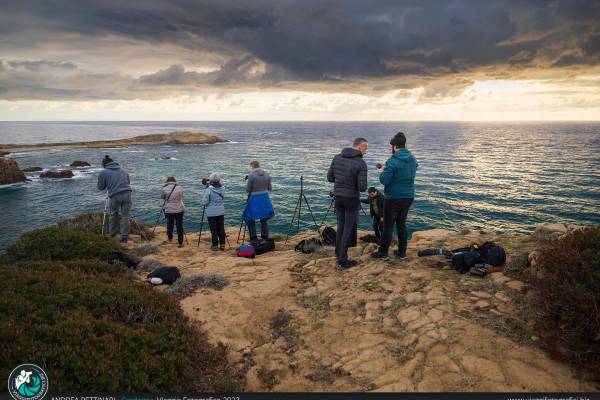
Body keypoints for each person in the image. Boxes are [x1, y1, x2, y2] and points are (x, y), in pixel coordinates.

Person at [371, 132, 418, 261]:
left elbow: (384, 181)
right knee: (401, 225)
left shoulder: (392, 160)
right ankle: (402, 253)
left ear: (394, 146)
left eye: (391, 147)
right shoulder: (413, 158)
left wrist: (382, 172)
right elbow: (414, 169)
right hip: (408, 196)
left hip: (393, 198)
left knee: (388, 226)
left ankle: (383, 253)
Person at [327, 137, 368, 268]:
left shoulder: (337, 157)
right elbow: (362, 188)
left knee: (340, 226)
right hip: (351, 199)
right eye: (366, 148)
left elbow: (330, 178)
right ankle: (342, 260)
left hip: (338, 196)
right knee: (347, 228)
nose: (366, 151)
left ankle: (338, 253)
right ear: (360, 147)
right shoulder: (361, 163)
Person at [97, 155, 132, 243]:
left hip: (115, 195)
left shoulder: (103, 172)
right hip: (127, 193)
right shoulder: (123, 171)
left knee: (113, 214)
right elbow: (128, 182)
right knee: (125, 216)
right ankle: (124, 236)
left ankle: (112, 233)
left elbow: (100, 187)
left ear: (104, 164)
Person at [243, 160, 274, 241]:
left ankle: (253, 238)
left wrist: (246, 182)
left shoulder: (251, 175)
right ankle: (265, 238)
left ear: (252, 166)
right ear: (259, 166)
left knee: (251, 218)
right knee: (264, 218)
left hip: (254, 199)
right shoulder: (267, 174)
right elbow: (270, 188)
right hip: (265, 198)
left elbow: (248, 189)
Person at [201, 173, 226, 250]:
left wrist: (206, 188)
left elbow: (205, 202)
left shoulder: (208, 190)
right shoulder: (223, 188)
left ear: (211, 180)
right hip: (221, 211)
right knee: (221, 228)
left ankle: (215, 245)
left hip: (211, 213)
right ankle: (222, 244)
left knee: (214, 229)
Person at [161, 176, 185, 248]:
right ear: (175, 181)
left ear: (167, 181)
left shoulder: (164, 188)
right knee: (179, 226)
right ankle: (180, 242)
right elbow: (181, 197)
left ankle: (169, 239)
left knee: (170, 225)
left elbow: (162, 197)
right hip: (179, 209)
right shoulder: (180, 188)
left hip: (169, 209)